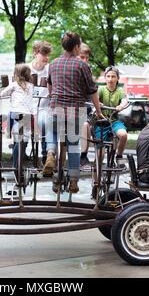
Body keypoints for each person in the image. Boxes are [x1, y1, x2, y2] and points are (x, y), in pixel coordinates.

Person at [43, 31, 104, 193]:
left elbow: (50, 86)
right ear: (77, 47)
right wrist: (98, 111)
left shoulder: (54, 63)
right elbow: (92, 91)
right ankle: (74, 181)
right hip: (75, 113)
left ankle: (50, 153)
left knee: (52, 131)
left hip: (56, 109)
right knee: (73, 146)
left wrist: (53, 95)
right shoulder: (82, 65)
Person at [1, 64, 35, 194]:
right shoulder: (31, 86)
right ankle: (20, 157)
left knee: (17, 137)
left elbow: (3, 94)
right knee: (24, 137)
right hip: (27, 114)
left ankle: (16, 165)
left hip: (16, 113)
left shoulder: (14, 84)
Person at [96, 65, 129, 167]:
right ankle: (97, 178)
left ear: (117, 78)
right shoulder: (101, 89)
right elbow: (95, 99)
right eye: (108, 76)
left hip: (114, 121)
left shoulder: (120, 91)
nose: (110, 79)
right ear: (105, 77)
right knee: (100, 155)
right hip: (101, 122)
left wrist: (121, 106)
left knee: (123, 135)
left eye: (113, 76)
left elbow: (125, 100)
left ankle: (119, 156)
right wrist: (98, 104)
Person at [29, 40, 53, 165]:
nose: (47, 57)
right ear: (35, 53)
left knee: (44, 122)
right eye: (44, 54)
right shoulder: (26, 69)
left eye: (48, 54)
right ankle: (22, 154)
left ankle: (45, 154)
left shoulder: (51, 69)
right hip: (28, 108)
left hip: (44, 107)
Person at [78, 43, 94, 167]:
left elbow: (92, 92)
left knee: (85, 125)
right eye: (82, 57)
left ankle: (83, 155)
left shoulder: (88, 71)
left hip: (84, 108)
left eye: (87, 58)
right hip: (70, 107)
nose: (85, 61)